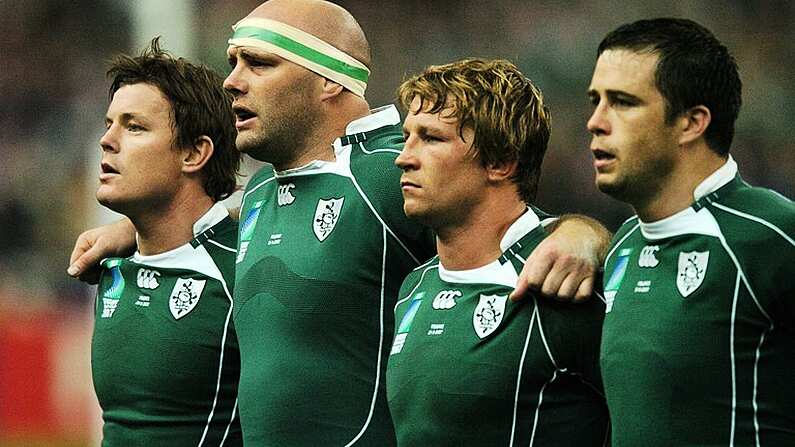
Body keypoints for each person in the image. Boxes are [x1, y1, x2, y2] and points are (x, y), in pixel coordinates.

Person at [70, 1, 610, 444]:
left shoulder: (388, 165)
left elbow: (504, 214)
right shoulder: (262, 189)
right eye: (234, 61)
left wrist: (584, 233)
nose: (231, 81)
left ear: (329, 82)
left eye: (259, 63)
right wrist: (140, 234)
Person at [587, 18, 795, 446]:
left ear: (691, 122)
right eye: (596, 100)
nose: (595, 121)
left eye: (622, 102)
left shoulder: (773, 237)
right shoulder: (622, 245)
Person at [387, 58, 609, 446]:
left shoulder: (563, 274)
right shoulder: (413, 288)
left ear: (500, 162)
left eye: (432, 138)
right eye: (408, 136)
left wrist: (589, 234)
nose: (404, 157)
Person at [91, 38, 242, 445]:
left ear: (194, 153)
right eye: (110, 124)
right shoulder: (111, 272)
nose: (108, 140)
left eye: (135, 126)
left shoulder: (245, 271)